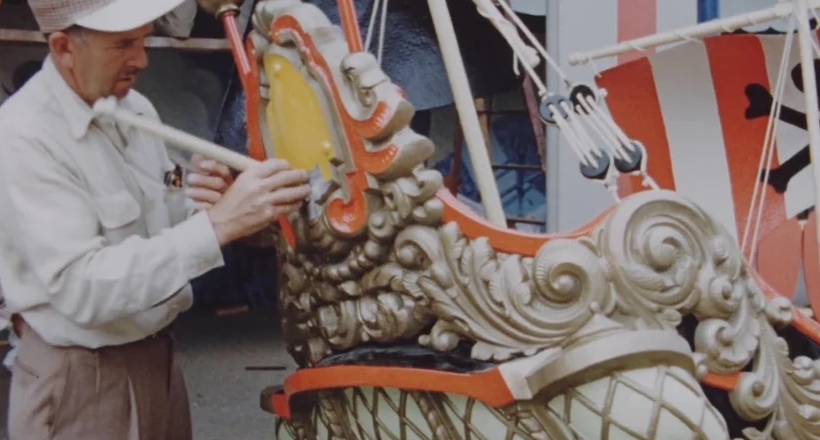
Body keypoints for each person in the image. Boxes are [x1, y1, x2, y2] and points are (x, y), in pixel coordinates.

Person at [0, 0, 311, 439]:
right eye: (123, 44)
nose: (141, 60)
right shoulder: (23, 137)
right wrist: (218, 225)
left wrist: (204, 200)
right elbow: (81, 288)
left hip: (156, 360)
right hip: (80, 380)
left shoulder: (134, 108)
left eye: (144, 40)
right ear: (64, 47)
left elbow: (166, 196)